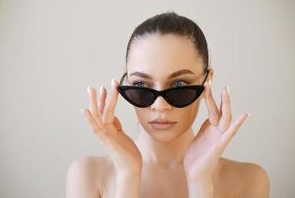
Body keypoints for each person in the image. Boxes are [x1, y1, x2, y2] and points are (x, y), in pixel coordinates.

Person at [66, 12, 270, 198]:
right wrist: (128, 177)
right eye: (141, 85)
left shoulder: (248, 181)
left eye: (179, 84)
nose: (160, 105)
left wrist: (200, 185)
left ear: (207, 81)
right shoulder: (88, 176)